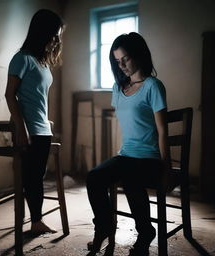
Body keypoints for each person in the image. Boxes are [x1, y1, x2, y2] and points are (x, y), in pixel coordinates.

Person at [86, 32, 170, 256]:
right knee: (94, 176)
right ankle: (103, 226)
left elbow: (163, 130)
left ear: (139, 55)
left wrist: (166, 167)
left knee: (131, 178)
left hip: (149, 157)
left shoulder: (153, 86)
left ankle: (145, 233)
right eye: (117, 61)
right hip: (126, 154)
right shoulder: (118, 89)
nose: (121, 65)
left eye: (125, 59)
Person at [5, 9, 64, 235]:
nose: (56, 39)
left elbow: (36, 96)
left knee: (37, 176)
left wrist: (43, 120)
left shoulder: (42, 62)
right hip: (29, 129)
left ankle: (36, 221)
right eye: (54, 34)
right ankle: (35, 221)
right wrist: (22, 128)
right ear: (43, 32)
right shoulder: (22, 58)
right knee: (31, 177)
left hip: (41, 127)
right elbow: (10, 95)